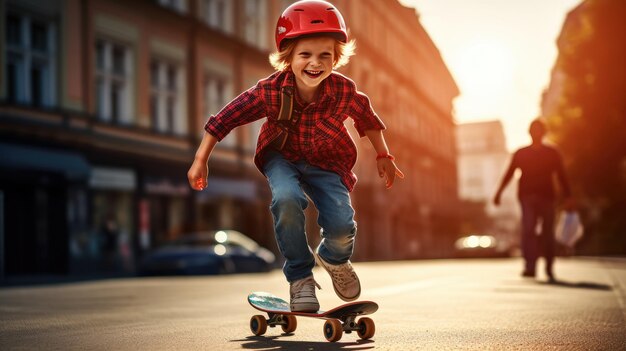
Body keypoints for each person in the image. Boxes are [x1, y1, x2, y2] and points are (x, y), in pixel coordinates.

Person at [187, 0, 403, 312]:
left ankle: (334, 258)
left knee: (342, 223)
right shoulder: (271, 90)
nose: (315, 63)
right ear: (288, 57)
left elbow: (367, 118)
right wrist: (200, 159)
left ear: (336, 57)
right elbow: (225, 118)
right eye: (305, 55)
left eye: (324, 55)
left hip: (329, 161)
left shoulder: (344, 90)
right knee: (287, 200)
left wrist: (384, 154)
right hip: (282, 158)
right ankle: (300, 277)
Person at [493, 119, 573, 282]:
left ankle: (549, 266)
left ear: (544, 133)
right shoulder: (521, 153)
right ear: (529, 133)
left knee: (548, 232)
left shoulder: (552, 153)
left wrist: (569, 196)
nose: (536, 133)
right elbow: (509, 173)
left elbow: (562, 175)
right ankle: (530, 266)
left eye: (539, 130)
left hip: (548, 197)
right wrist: (499, 192)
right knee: (528, 229)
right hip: (526, 197)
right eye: (533, 130)